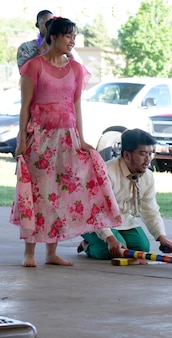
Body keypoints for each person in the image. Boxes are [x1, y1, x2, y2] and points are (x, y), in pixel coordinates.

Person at [10, 17, 122, 267]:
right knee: (39, 192)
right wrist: (22, 139)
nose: (72, 41)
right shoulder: (34, 67)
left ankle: (51, 252)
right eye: (68, 36)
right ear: (53, 37)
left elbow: (76, 106)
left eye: (74, 36)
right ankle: (30, 252)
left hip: (68, 138)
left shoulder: (76, 69)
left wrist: (81, 139)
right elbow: (25, 106)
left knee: (61, 192)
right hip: (39, 137)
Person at [78, 129, 172, 259]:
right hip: (92, 220)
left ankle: (101, 242)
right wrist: (110, 239)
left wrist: (161, 236)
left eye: (150, 153)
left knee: (142, 249)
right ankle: (88, 245)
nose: (148, 159)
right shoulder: (106, 172)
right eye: (142, 154)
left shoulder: (147, 176)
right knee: (114, 251)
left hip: (122, 220)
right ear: (127, 155)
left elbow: (150, 210)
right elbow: (96, 211)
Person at [16, 10, 81, 70]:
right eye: (46, 23)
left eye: (52, 24)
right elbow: (23, 71)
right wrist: (41, 49)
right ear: (37, 25)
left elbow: (78, 71)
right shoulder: (26, 47)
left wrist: (68, 53)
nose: (49, 27)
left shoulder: (63, 46)